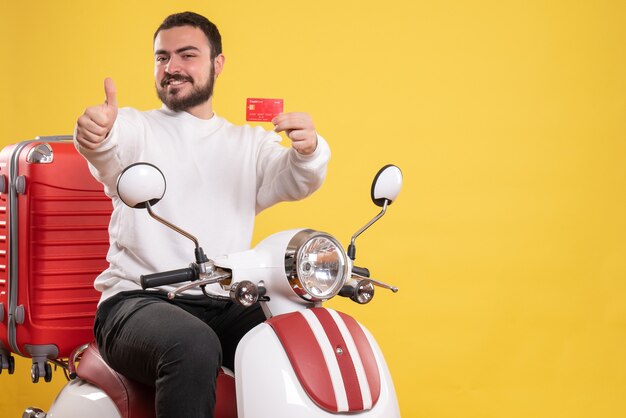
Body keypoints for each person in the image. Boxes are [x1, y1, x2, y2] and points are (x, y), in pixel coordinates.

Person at [74, 11, 330, 418]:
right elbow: (106, 150)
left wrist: (309, 150)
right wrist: (95, 133)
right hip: (135, 303)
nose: (172, 67)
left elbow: (297, 179)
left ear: (218, 63)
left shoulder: (248, 143)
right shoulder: (135, 127)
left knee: (301, 335)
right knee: (192, 343)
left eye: (187, 55)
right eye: (162, 58)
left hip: (224, 301)